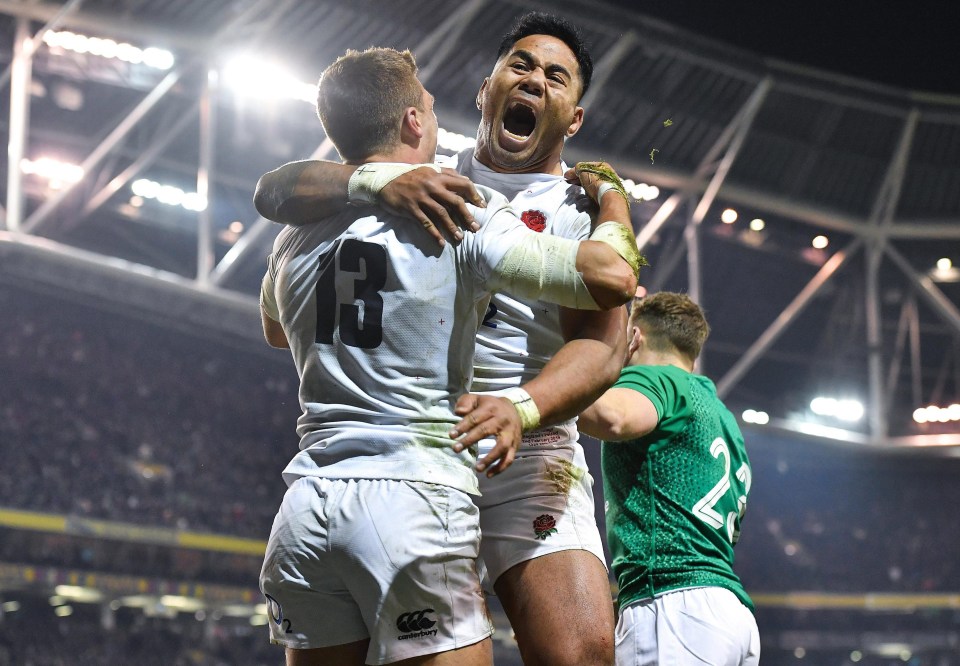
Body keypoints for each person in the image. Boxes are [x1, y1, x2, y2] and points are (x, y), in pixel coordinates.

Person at [254, 13, 634, 665]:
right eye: (520, 65)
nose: (534, 81)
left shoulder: (581, 210)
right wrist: (377, 179)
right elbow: (279, 188)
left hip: (527, 441)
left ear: (574, 119)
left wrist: (524, 405)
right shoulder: (425, 177)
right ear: (485, 90)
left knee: (583, 653)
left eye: (555, 76)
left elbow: (604, 347)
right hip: (421, 448)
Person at [577, 292, 760, 666]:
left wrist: (544, 384)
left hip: (675, 604)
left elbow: (614, 417)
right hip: (727, 611)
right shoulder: (722, 416)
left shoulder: (658, 378)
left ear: (635, 337)